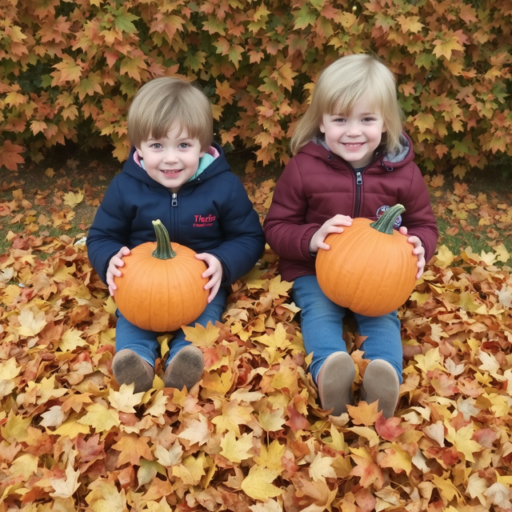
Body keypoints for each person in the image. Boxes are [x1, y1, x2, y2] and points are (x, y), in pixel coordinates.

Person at [264, 54, 438, 418]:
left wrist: (420, 245)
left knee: (382, 316)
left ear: (386, 123)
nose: (353, 131)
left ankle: (383, 373)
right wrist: (311, 238)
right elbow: (277, 226)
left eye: (367, 119)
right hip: (313, 269)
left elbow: (424, 224)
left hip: (380, 276)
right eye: (340, 119)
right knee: (320, 311)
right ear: (322, 122)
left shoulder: (404, 175)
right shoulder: (303, 169)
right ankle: (329, 369)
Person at [87, 77, 265, 393]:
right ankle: (136, 362)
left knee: (203, 315)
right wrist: (108, 259)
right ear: (138, 146)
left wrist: (223, 262)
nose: (170, 158)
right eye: (157, 145)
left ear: (202, 145)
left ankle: (184, 359)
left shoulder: (223, 187)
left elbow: (249, 237)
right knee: (133, 317)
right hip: (141, 282)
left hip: (199, 282)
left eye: (183, 145)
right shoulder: (126, 187)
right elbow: (102, 235)